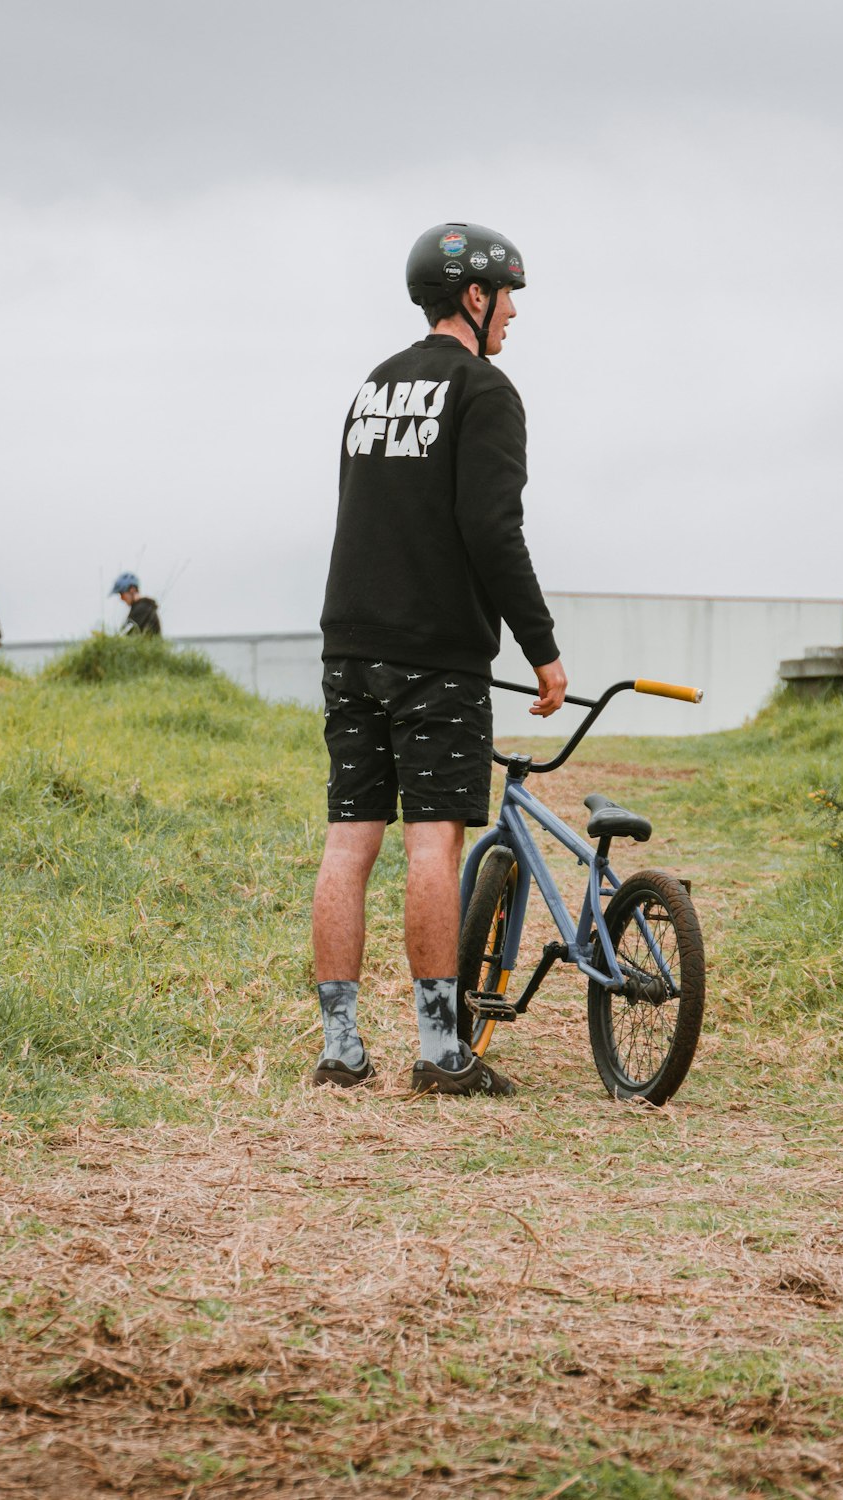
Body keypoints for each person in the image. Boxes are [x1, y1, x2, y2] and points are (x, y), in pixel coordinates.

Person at [313, 221, 568, 1098]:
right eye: (510, 298)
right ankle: (437, 1050)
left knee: (350, 842)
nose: (512, 317)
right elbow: (493, 531)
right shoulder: (484, 390)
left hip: (348, 644)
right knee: (433, 841)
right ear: (474, 295)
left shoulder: (374, 386)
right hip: (433, 655)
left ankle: (340, 1049)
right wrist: (543, 650)